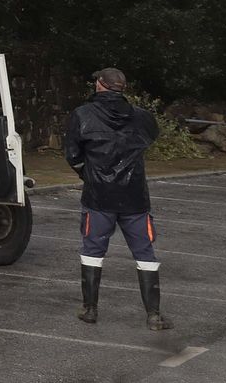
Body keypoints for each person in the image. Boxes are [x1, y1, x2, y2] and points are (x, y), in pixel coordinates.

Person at [64, 67, 171, 330]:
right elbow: (149, 138)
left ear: (100, 84)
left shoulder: (82, 115)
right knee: (145, 253)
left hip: (98, 196)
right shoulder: (142, 117)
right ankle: (154, 316)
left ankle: (90, 309)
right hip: (134, 197)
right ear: (122, 88)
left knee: (92, 251)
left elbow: (73, 155)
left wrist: (91, 176)